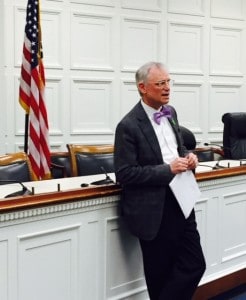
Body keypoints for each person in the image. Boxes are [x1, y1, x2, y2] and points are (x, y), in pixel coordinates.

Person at [114, 61, 206, 300]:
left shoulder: (171, 112)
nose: (167, 88)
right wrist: (168, 170)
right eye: (160, 83)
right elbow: (125, 173)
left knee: (195, 264)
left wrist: (188, 157)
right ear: (143, 87)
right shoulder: (128, 126)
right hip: (154, 209)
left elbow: (178, 148)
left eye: (168, 82)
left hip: (182, 200)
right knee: (160, 275)